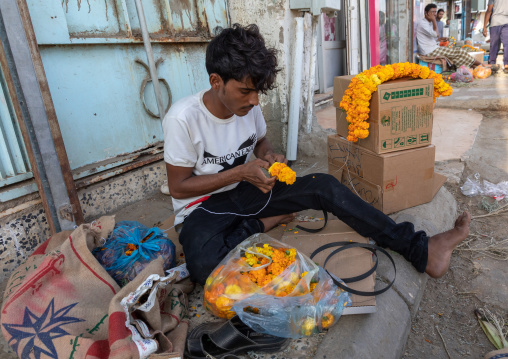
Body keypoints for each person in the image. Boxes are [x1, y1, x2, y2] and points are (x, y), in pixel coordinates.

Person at [163, 23, 471, 285]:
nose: (255, 101)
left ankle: (420, 248)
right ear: (216, 81)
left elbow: (261, 144)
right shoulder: (183, 119)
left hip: (247, 192)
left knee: (323, 186)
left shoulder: (249, 107)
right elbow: (178, 187)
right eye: (246, 91)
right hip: (202, 209)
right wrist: (240, 173)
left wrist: (270, 156)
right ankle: (261, 223)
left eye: (259, 92)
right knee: (203, 267)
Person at [416, 4, 483, 68]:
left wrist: (439, 39)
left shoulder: (429, 23)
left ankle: (476, 67)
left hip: (434, 48)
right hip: (430, 51)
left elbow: (430, 38)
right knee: (460, 51)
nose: (434, 14)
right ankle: (482, 64)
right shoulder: (423, 23)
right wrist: (434, 20)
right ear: (426, 13)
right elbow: (436, 34)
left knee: (456, 58)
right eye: (432, 12)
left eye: (435, 12)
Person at [483, 0, 508, 73]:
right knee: (507, 44)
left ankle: (491, 64)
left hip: (495, 22)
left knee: (494, 45)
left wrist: (484, 26)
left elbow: (489, 10)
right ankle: (506, 64)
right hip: (506, 22)